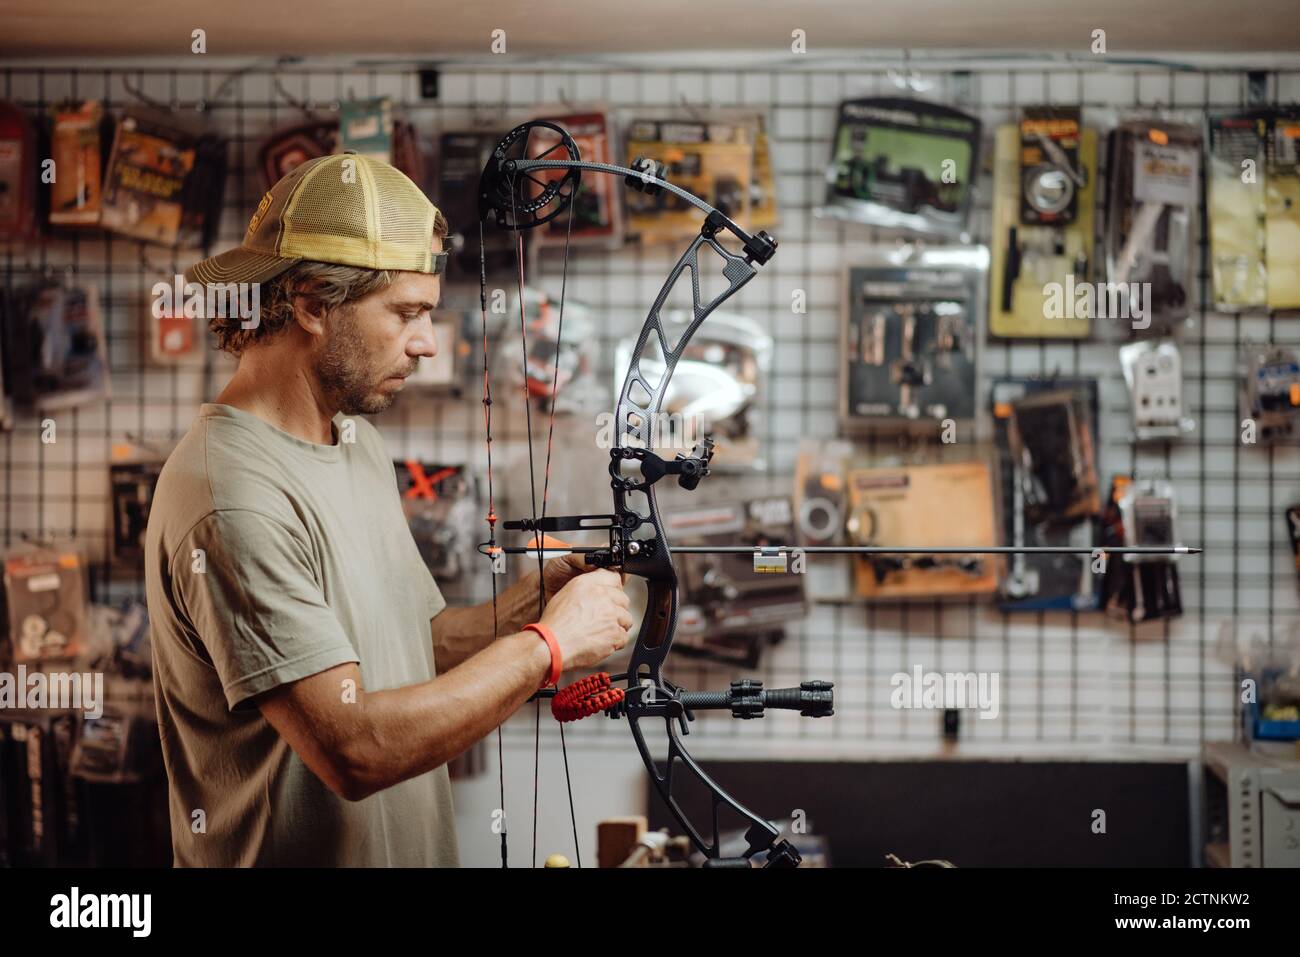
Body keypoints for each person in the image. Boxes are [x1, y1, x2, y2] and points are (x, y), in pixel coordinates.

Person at [144, 153, 631, 866]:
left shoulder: (356, 443)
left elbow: (414, 644)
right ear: (311, 302)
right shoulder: (231, 496)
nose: (429, 343)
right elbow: (353, 748)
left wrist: (532, 605)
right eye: (407, 313)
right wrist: (549, 647)